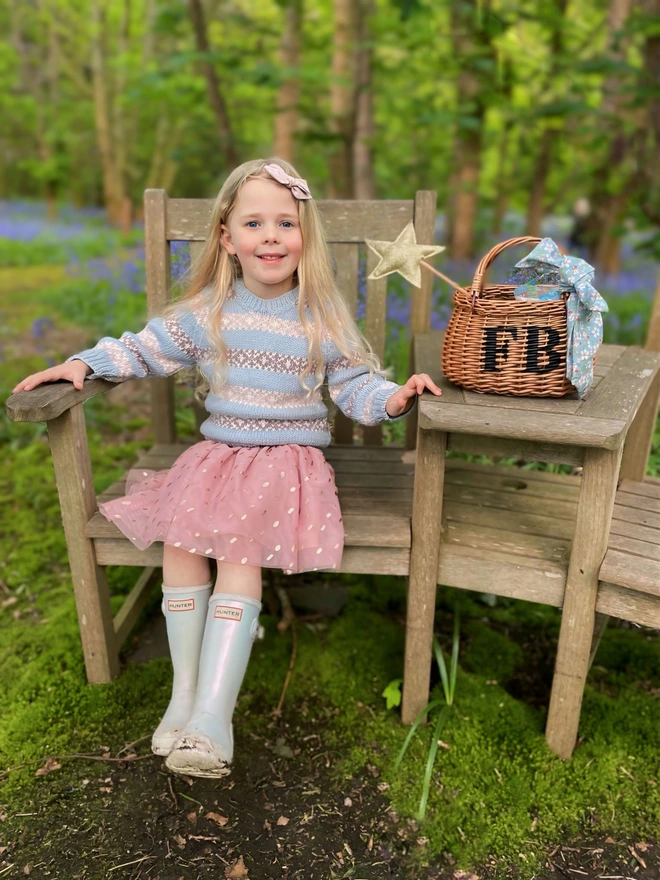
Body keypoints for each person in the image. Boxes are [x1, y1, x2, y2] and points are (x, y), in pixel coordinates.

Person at [13, 158, 442, 778]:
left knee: (238, 555)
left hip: (285, 465)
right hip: (217, 459)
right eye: (255, 223)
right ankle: (184, 695)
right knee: (181, 546)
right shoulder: (209, 311)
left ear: (305, 237)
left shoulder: (320, 317)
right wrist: (85, 364)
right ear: (227, 238)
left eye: (286, 223)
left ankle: (216, 714)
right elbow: (140, 348)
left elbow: (356, 388)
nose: (272, 236)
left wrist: (395, 397)